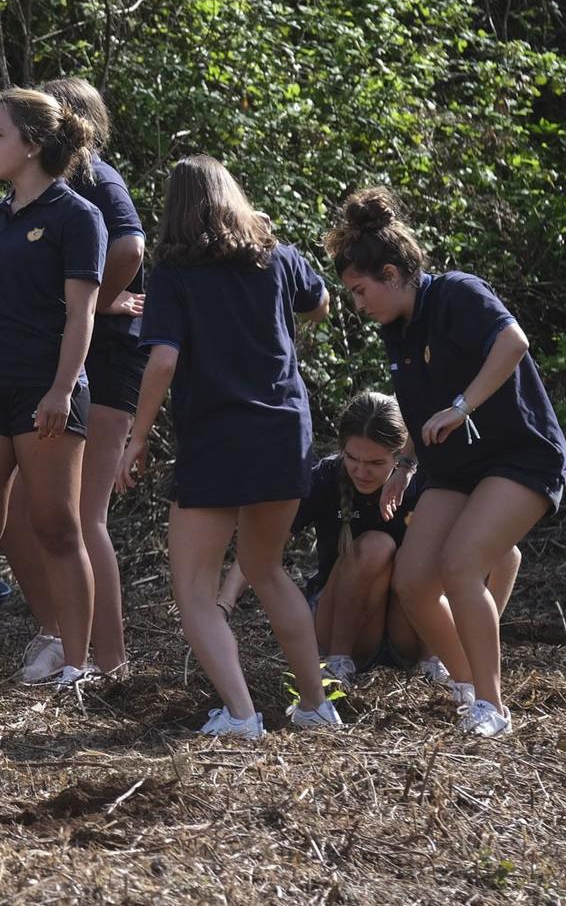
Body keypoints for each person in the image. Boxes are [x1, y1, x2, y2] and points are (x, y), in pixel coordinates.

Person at [324, 186, 566, 738]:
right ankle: (468, 686)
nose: (359, 306)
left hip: (519, 455)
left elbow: (513, 343)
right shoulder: (395, 330)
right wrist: (405, 465)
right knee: (413, 580)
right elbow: (416, 409)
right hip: (452, 467)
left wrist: (462, 406)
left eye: (361, 291)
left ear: (391, 273)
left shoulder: (457, 292)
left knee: (460, 564)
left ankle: (492, 707)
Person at [120, 155, 338, 737]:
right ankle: (316, 706)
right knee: (267, 569)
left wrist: (136, 438)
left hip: (218, 437)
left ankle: (242, 715)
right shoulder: (280, 257)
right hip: (283, 431)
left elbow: (164, 358)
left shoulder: (173, 272)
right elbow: (320, 304)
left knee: (193, 587)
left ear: (175, 210)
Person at [0, 88, 106, 699]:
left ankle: (77, 667)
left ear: (32, 144)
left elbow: (83, 315)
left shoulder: (76, 216)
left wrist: (62, 388)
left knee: (57, 526)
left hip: (45, 391)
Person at [1, 76, 145, 681]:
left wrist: (98, 303)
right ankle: (60, 631)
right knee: (17, 517)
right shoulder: (40, 190)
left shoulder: (97, 180)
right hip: (47, 362)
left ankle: (109, 664)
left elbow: (132, 248)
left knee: (84, 519)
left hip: (107, 359)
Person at [293, 391, 522, 691]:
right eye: (353, 459)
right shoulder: (328, 476)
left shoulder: (428, 483)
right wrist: (225, 602)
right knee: (377, 546)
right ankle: (338, 661)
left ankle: (444, 655)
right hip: (345, 621)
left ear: (401, 455)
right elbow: (264, 547)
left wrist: (474, 638)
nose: (361, 472)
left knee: (437, 556)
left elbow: (507, 556)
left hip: (409, 631)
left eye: (375, 463)